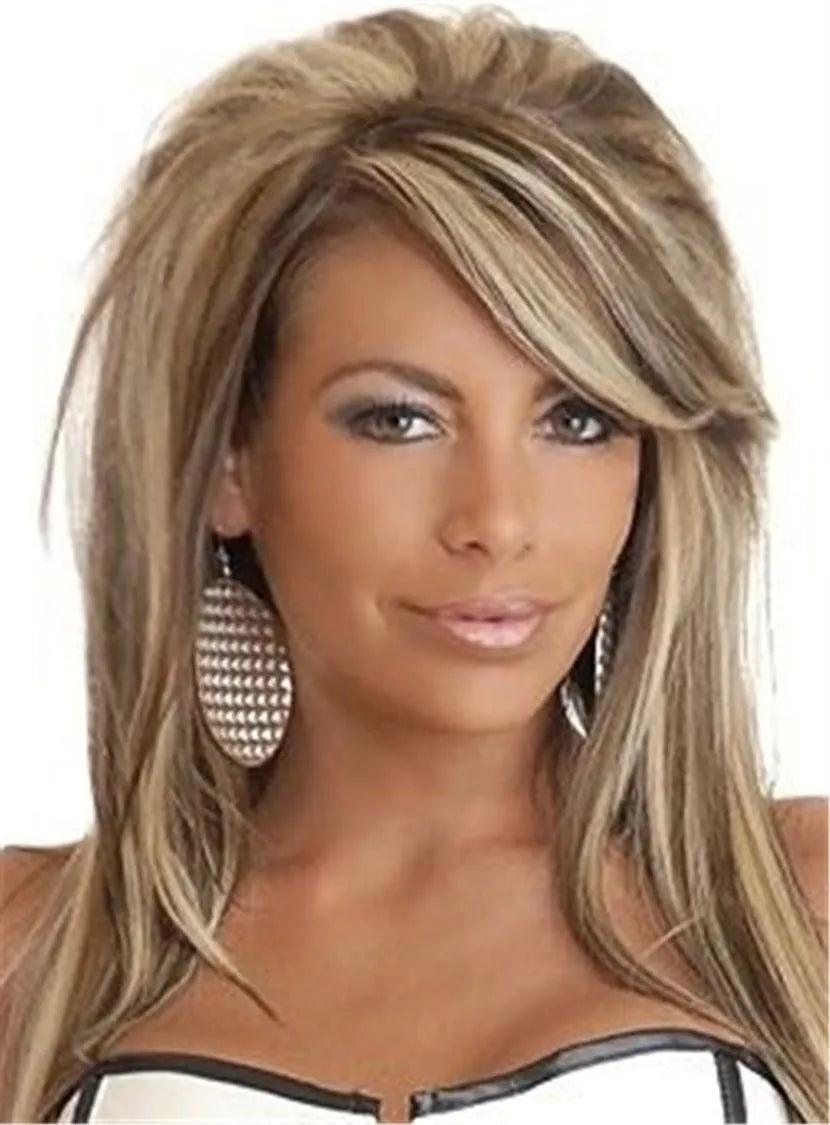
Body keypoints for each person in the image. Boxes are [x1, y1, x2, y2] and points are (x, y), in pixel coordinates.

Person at [1, 5, 826, 1122]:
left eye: (577, 419)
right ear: (228, 461)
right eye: (398, 420)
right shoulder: (30, 958)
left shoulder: (799, 918)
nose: (498, 520)